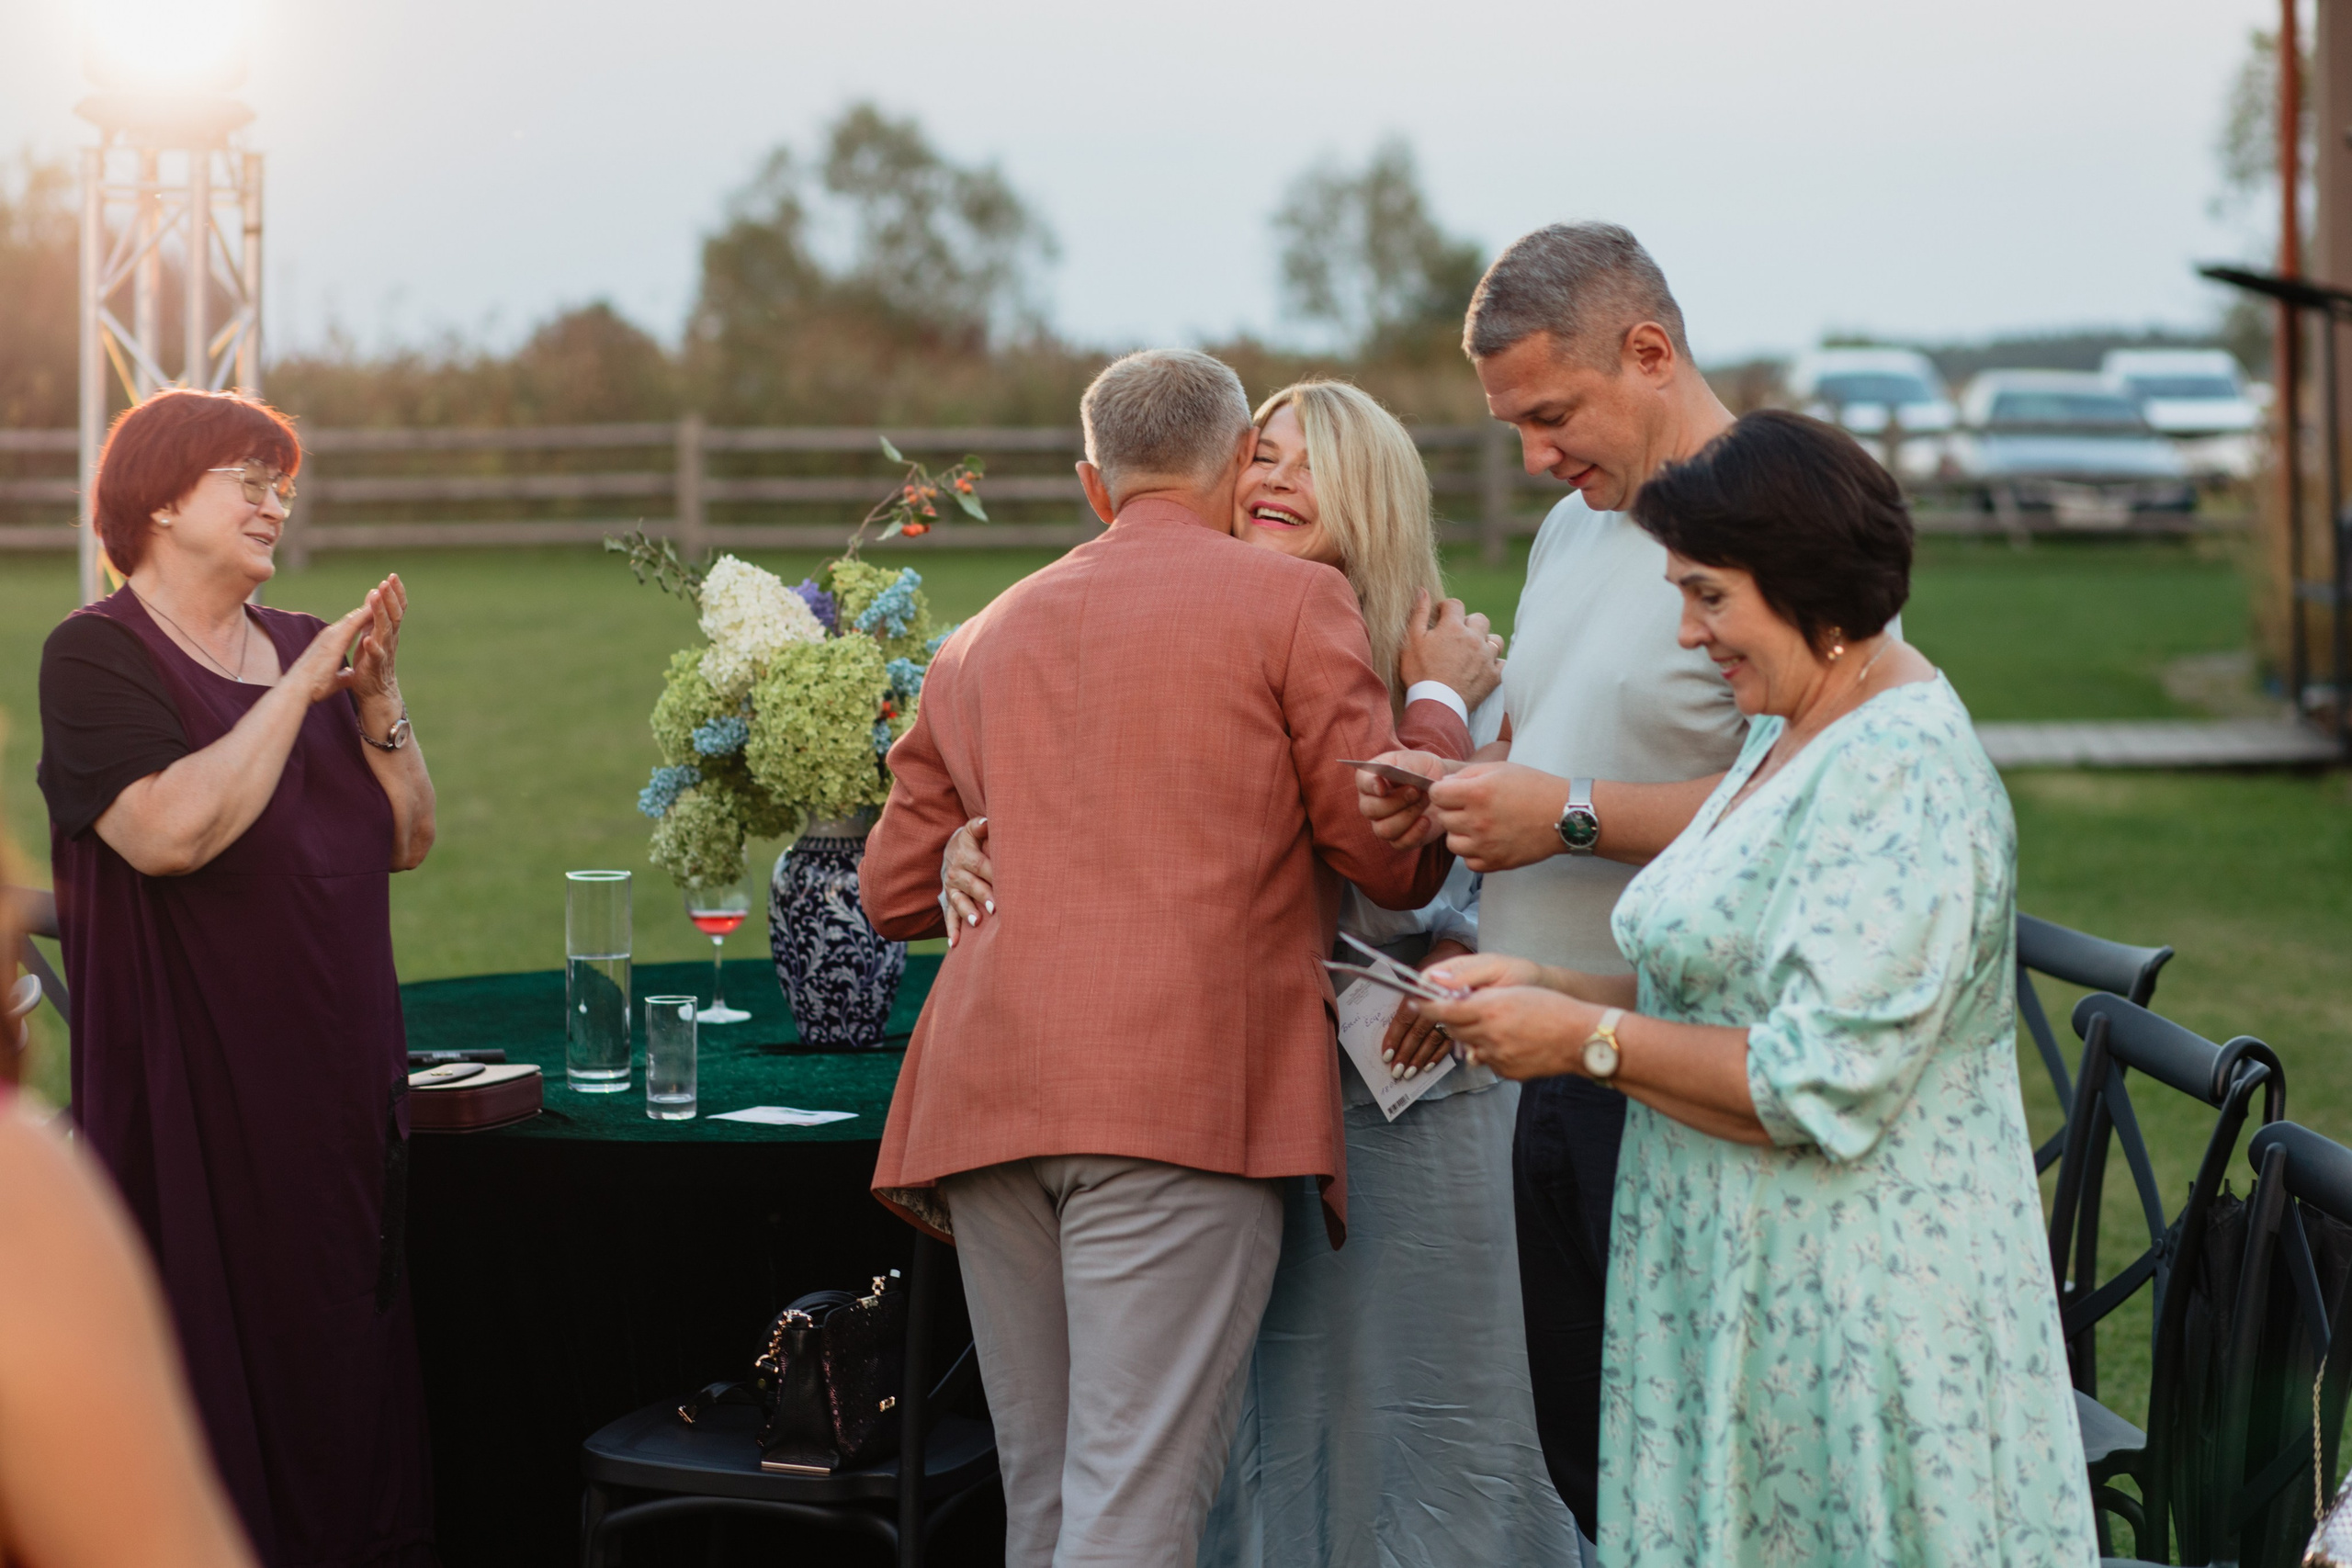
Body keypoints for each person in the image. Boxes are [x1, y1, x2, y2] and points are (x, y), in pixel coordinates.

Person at [1413, 410, 2098, 1562]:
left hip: (1849, 1321)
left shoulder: (1904, 772)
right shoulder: (1786, 731)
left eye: (1709, 598)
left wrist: (1582, 1039)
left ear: (1811, 582)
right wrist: (1542, 976)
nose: (1687, 635)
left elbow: (1814, 1077)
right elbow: (1725, 970)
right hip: (1730, 1288)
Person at [940, 380, 1578, 1568]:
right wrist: (961, 835)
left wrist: (1457, 939)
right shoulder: (1218, 629)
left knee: (1429, 1401)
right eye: (1263, 457)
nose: (1279, 482)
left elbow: (1500, 855)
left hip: (1421, 1084)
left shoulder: (1459, 655)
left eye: (1313, 464)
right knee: (1235, 1424)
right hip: (1227, 1089)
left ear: (1375, 495)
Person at [1356, 221, 1747, 1540]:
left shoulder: (1777, 526)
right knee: (1588, 1457)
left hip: (1690, 1067)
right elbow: (1557, 743)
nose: (1535, 456)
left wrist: (1564, 816)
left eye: (1553, 414)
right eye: (1513, 423)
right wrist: (1467, 788)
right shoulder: (1576, 532)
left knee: (1694, 1470)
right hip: (1553, 1066)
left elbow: (1804, 806)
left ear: (1650, 352)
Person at [36, 389, 438, 1567]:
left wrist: (378, 704)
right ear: (160, 498)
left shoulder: (312, 646)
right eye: (247, 479)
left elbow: (408, 838)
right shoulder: (97, 653)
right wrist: (300, 688)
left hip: (343, 1089)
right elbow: (170, 832)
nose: (277, 502)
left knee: (345, 1391)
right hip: (197, 1102)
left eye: (283, 482)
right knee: (216, 1392)